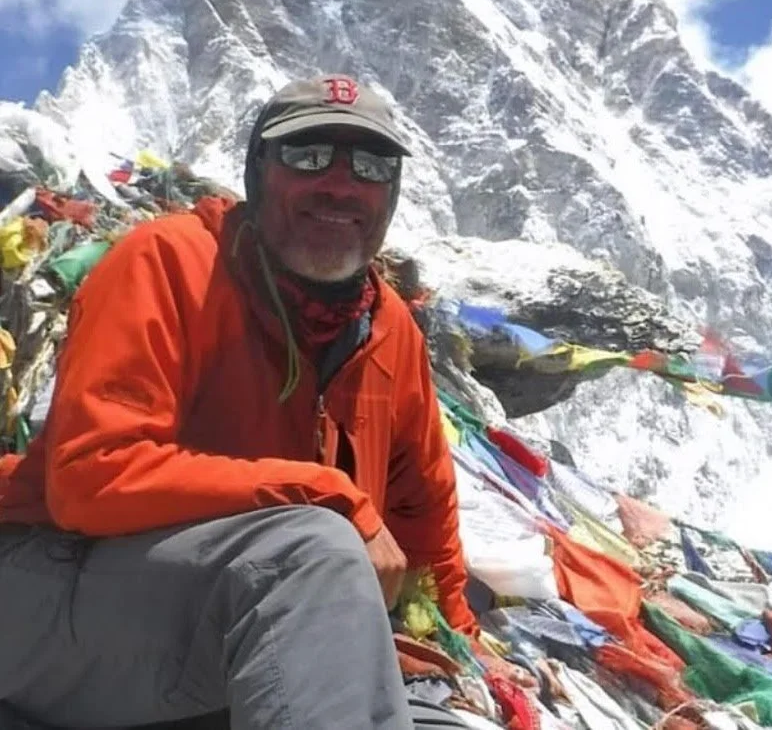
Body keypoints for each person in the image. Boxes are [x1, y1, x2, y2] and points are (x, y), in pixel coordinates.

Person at [0, 76, 479, 730]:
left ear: (390, 192)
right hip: (47, 586)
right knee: (312, 552)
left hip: (211, 611)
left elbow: (422, 509)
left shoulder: (391, 331)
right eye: (307, 155)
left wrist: (460, 637)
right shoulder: (167, 260)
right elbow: (92, 476)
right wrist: (326, 494)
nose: (339, 184)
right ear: (258, 169)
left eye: (370, 165)